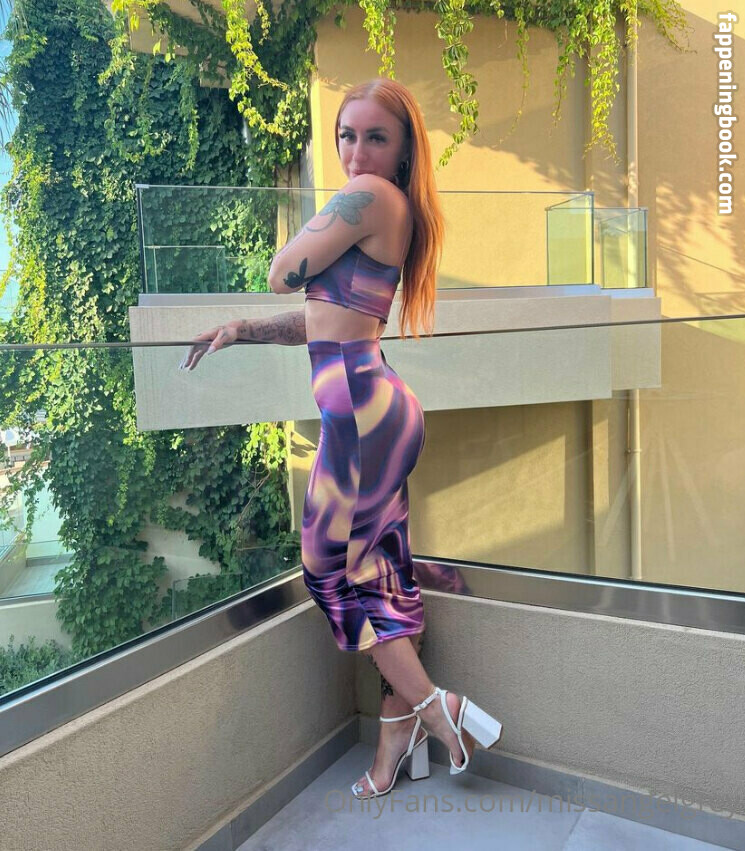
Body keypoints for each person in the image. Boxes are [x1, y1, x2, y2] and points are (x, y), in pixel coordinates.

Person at [180, 79, 503, 800]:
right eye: (345, 136)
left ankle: (436, 708)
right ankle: (398, 726)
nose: (356, 152)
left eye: (374, 137)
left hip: (362, 416)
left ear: (402, 152)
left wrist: (322, 218)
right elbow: (323, 319)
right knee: (379, 572)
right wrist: (240, 330)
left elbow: (281, 273)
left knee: (330, 570)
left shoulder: (370, 197)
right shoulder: (383, 210)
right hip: (371, 409)